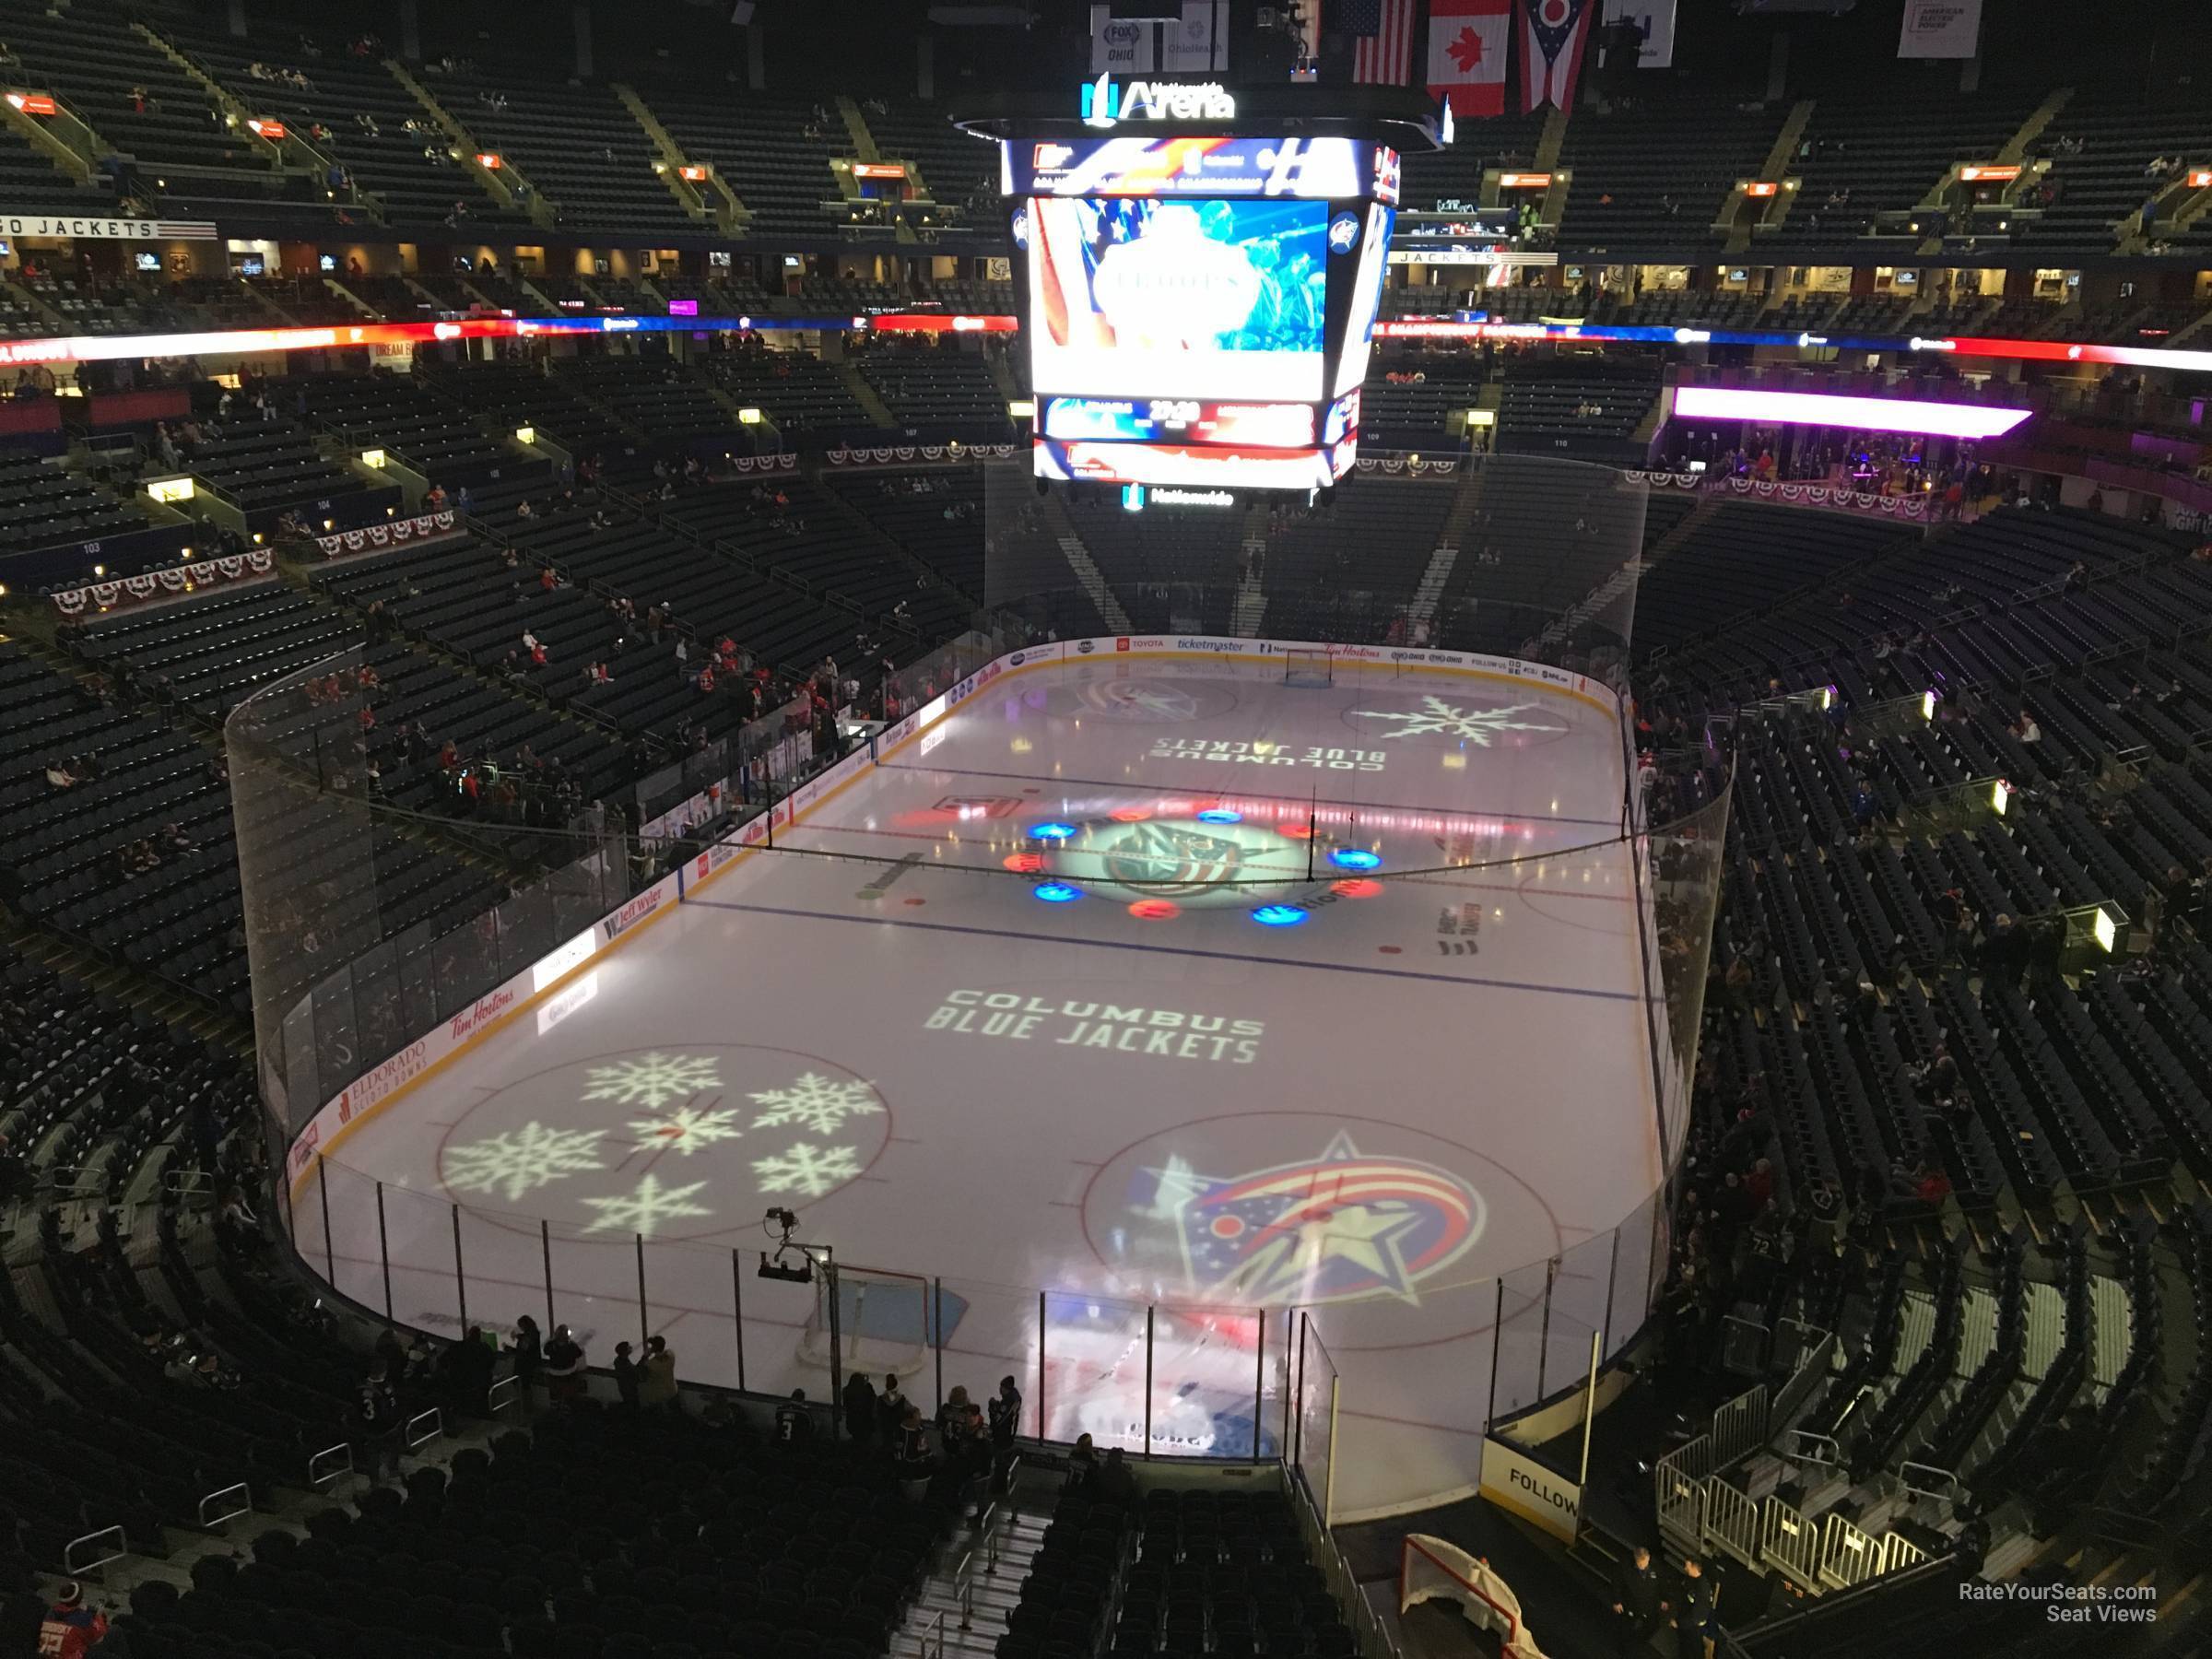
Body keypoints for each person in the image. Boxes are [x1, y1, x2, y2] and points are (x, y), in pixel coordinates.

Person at [355, 1362, 401, 1482]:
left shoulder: (360, 1386)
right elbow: (392, 1407)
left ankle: (374, 1479)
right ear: (384, 1371)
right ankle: (392, 1468)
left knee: (372, 1452)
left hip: (366, 1426)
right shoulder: (385, 1388)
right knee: (395, 1439)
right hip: (383, 1428)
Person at [1613, 1545, 1665, 1647]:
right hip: (1631, 1603)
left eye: (1645, 1563)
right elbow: (1616, 1583)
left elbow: (1661, 1583)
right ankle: (1623, 1648)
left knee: (1653, 1625)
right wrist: (1617, 1601)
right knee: (1626, 1627)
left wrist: (1664, 1599)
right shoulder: (1626, 1566)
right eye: (1640, 1564)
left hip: (1649, 1604)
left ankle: (1640, 1643)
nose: (1643, 1567)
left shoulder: (1655, 1566)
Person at [39, 1583, 109, 1658]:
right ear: (80, 1601)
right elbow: (99, 1638)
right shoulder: (81, 1618)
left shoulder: (50, 1613)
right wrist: (98, 1616)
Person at [1673, 1556, 1717, 1659]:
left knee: (1691, 1650)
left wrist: (1679, 1623)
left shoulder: (1702, 1588)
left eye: (1687, 1566)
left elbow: (1697, 1615)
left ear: (1694, 1567)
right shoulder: (1690, 1580)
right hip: (1686, 1622)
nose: (1685, 1568)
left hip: (1692, 1627)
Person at [988, 1374, 1022, 1489]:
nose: (1000, 1389)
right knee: (1000, 1460)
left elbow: (999, 1420)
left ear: (1007, 1389)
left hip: (1003, 1436)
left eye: (1002, 1387)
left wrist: (992, 1409)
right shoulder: (1014, 1398)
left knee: (999, 1460)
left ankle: (999, 1485)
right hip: (1008, 1434)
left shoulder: (1008, 1402)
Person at [543, 1324, 585, 1406]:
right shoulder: (571, 1345)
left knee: (555, 1395)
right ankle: (567, 1409)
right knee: (568, 1396)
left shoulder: (551, 1344)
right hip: (569, 1374)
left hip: (554, 1374)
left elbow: (546, 1351)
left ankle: (555, 1409)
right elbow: (579, 1354)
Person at [505, 1314, 542, 1406]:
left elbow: (522, 1351)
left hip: (525, 1367)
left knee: (525, 1388)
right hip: (528, 1366)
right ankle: (526, 1405)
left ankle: (526, 1406)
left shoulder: (529, 1337)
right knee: (525, 1387)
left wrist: (508, 1348)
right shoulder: (533, 1334)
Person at [639, 1333, 677, 1408]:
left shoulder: (650, 1364)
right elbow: (664, 1353)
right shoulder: (671, 1355)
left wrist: (646, 1355)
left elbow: (640, 1370)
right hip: (672, 1390)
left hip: (659, 1394)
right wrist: (654, 1347)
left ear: (654, 1348)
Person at [842, 1367, 878, 1444]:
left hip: (852, 1425)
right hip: (866, 1425)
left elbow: (845, 1404)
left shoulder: (846, 1391)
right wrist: (868, 1385)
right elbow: (874, 1400)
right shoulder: (867, 1391)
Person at [877, 1373, 909, 1446]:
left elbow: (876, 1414)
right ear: (896, 1384)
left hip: (885, 1430)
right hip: (899, 1430)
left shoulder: (880, 1400)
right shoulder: (902, 1400)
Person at [613, 1340, 640, 1409]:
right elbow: (635, 1371)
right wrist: (644, 1358)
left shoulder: (619, 1361)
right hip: (629, 1391)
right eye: (628, 1347)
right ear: (624, 1351)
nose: (631, 1348)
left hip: (626, 1389)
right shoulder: (624, 1364)